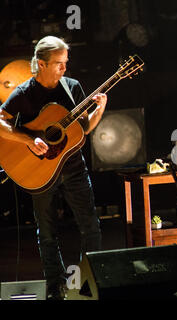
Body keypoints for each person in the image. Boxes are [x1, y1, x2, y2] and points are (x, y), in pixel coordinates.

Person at [0, 36, 108, 299]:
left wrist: (99, 110)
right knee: (47, 231)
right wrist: (28, 139)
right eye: (59, 64)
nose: (64, 68)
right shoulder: (24, 93)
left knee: (90, 226)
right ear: (41, 63)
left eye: (65, 63)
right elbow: (0, 121)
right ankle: (54, 285)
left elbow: (82, 131)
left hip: (73, 167)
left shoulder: (72, 88)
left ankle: (90, 283)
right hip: (40, 171)